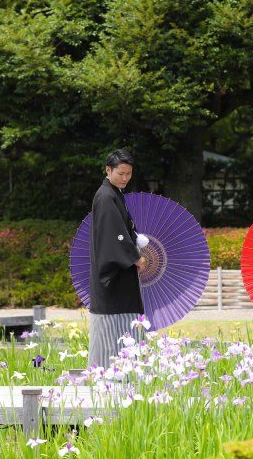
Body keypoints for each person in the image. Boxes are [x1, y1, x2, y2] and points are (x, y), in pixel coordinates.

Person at [88, 149, 147, 368]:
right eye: (121, 173)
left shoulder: (114, 194)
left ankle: (124, 371)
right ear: (108, 170)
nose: (125, 178)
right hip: (111, 278)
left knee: (125, 324)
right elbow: (115, 234)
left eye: (129, 174)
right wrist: (135, 257)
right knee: (112, 328)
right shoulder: (105, 197)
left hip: (120, 277)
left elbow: (123, 230)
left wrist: (136, 243)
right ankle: (108, 373)